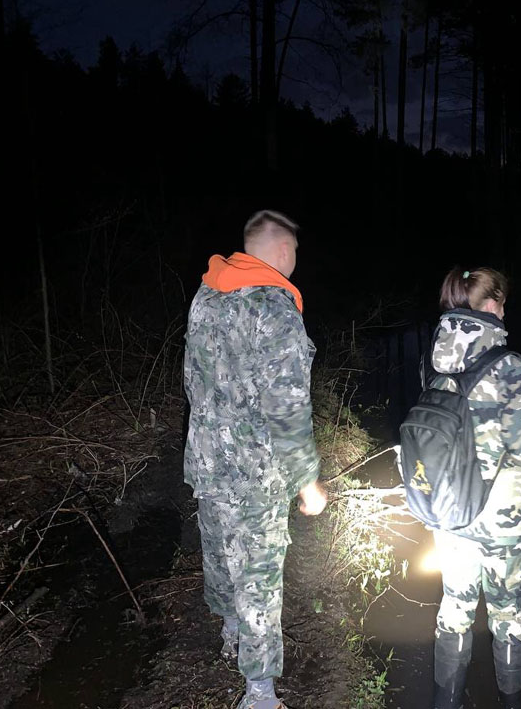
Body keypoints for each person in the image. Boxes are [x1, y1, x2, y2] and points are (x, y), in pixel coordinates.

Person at [183, 209, 327, 709]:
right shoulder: (275, 309)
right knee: (259, 577)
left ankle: (229, 631)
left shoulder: (207, 294)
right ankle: (260, 693)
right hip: (255, 475)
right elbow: (287, 409)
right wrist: (307, 480)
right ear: (284, 252)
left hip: (207, 461)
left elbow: (192, 380)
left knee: (220, 552)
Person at [427, 267, 521, 709]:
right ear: (489, 305)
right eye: (501, 302)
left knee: (455, 610)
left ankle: (446, 702)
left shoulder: (439, 360)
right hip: (504, 523)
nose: (505, 309)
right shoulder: (508, 366)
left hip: (451, 513)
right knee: (507, 615)